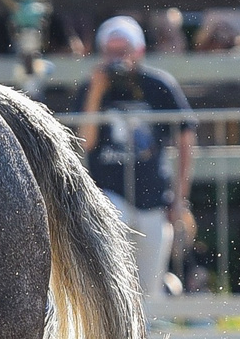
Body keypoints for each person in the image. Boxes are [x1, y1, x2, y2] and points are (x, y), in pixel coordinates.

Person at [78, 15, 195, 297]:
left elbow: (186, 138)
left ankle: (147, 338)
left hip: (153, 196)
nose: (117, 59)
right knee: (113, 283)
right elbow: (86, 142)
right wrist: (96, 92)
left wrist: (180, 198)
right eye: (111, 51)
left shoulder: (159, 85)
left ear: (139, 51)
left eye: (123, 51)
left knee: (150, 289)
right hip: (108, 195)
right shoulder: (91, 87)